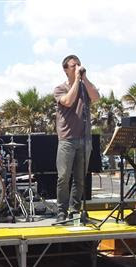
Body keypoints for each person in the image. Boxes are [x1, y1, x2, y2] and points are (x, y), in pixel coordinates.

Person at [53, 55, 100, 221]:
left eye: (79, 64)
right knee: (63, 177)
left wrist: (84, 79)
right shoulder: (60, 88)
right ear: (65, 69)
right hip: (67, 138)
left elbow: (96, 97)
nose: (77, 67)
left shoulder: (84, 86)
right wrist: (76, 82)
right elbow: (67, 101)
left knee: (80, 178)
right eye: (73, 66)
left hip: (85, 138)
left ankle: (75, 209)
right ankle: (61, 211)